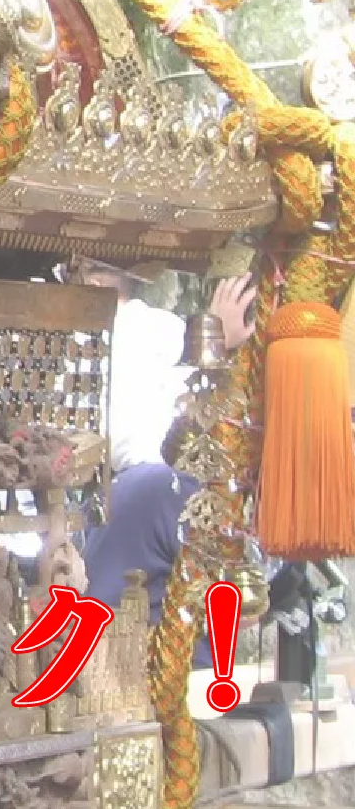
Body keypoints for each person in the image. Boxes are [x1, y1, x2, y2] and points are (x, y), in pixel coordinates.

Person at [79, 268, 254, 666]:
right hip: (147, 492)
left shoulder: (153, 329)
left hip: (133, 495)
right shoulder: (144, 330)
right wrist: (215, 344)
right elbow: (246, 607)